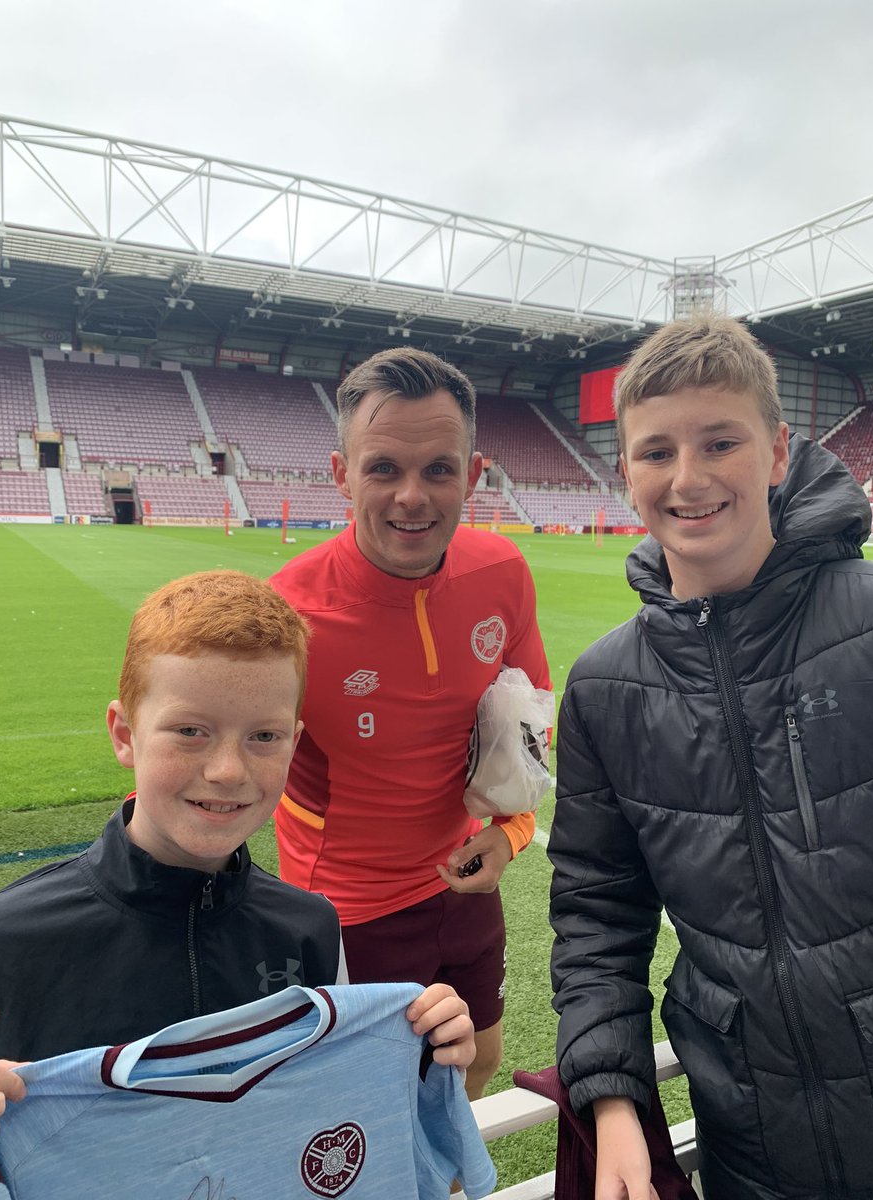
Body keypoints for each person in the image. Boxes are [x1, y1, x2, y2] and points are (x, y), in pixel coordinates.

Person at [548, 315, 873, 1200]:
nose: (689, 477)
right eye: (656, 451)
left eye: (720, 442)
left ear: (778, 452)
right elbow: (595, 915)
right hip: (751, 1138)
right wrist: (615, 1102)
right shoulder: (603, 689)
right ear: (623, 471)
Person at [0, 571, 475, 1127]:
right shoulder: (13, 937)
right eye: (190, 732)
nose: (227, 771)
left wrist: (423, 1056)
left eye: (263, 737)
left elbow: (331, 1112)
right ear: (125, 734)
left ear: (295, 745)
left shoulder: (310, 928)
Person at [270, 347, 551, 1099]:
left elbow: (527, 735)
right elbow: (223, 772)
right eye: (383, 468)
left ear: (474, 474)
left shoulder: (502, 575)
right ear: (341, 474)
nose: (411, 497)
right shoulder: (288, 614)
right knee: (370, 1104)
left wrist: (512, 833)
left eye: (437, 469)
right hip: (347, 909)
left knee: (479, 1064)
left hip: (463, 884)